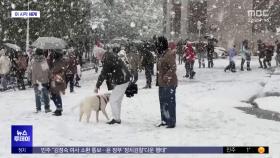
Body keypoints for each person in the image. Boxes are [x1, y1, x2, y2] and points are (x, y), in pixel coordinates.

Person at [94, 49, 131, 125]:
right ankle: (117, 118)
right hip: (124, 78)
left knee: (113, 100)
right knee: (117, 100)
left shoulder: (108, 59)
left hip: (122, 80)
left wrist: (97, 86)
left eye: (97, 57)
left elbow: (103, 73)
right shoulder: (109, 55)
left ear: (100, 55)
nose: (97, 58)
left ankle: (116, 119)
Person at [156, 36, 177, 128]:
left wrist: (166, 76)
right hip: (161, 83)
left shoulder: (169, 54)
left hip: (169, 83)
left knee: (170, 102)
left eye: (158, 44)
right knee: (163, 102)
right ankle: (164, 120)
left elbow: (173, 67)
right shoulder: (161, 54)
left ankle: (171, 121)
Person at [31, 49, 51, 113]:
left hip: (35, 80)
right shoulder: (43, 61)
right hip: (44, 80)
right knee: (45, 95)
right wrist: (49, 77)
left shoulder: (33, 61)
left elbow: (30, 70)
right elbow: (46, 71)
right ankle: (47, 108)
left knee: (37, 95)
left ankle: (38, 109)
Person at [50, 51, 67, 116]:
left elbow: (55, 70)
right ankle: (58, 108)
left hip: (57, 80)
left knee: (55, 95)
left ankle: (59, 109)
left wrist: (52, 71)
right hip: (58, 80)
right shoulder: (60, 61)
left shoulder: (58, 62)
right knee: (54, 95)